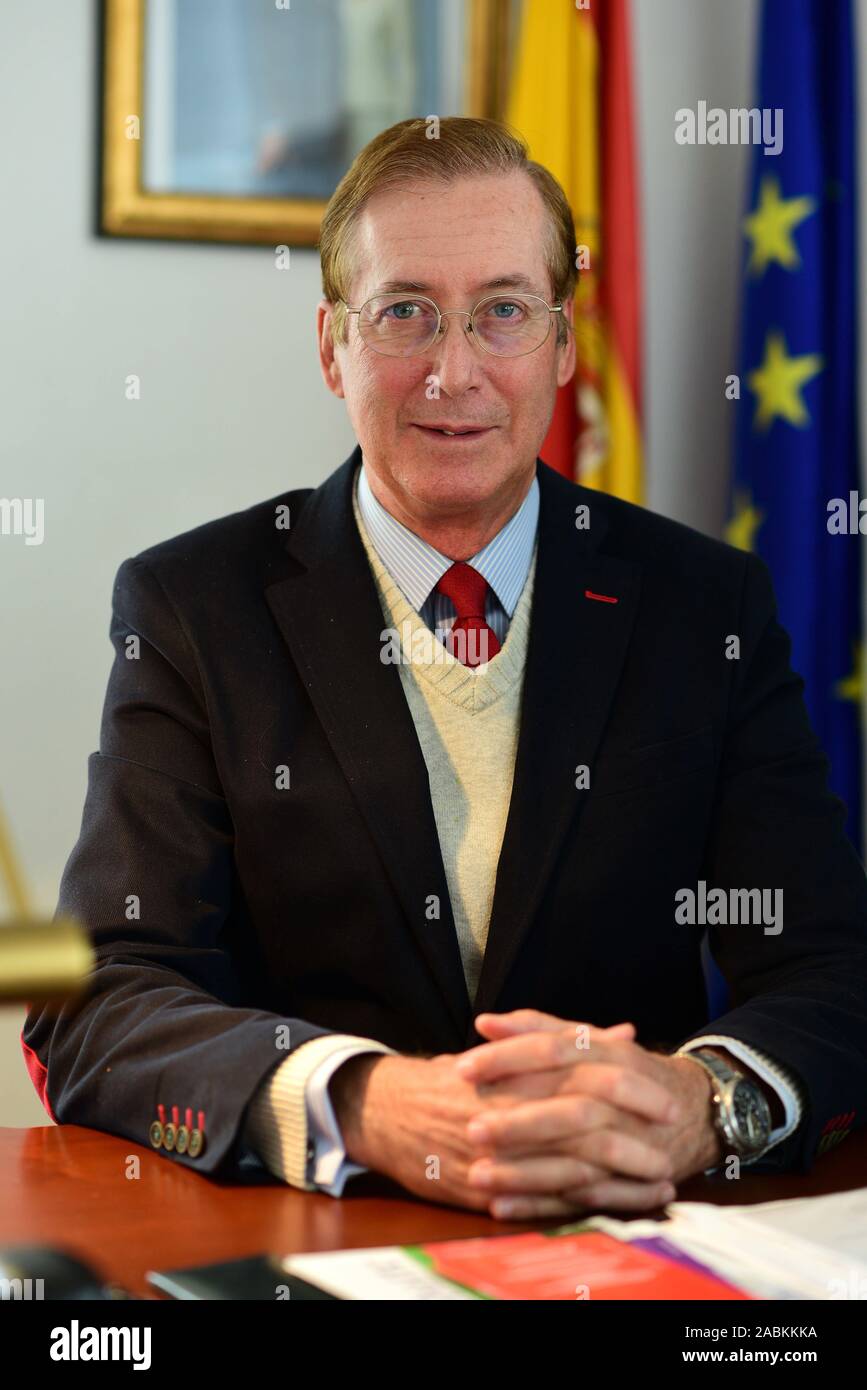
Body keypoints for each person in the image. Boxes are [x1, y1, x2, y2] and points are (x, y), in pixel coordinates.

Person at [22, 118, 867, 1223]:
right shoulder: (192, 606)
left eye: (503, 312)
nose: (453, 369)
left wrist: (705, 1103)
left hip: (626, 1232)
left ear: (564, 345)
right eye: (405, 312)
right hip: (312, 1231)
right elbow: (98, 995)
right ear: (332, 346)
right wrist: (362, 1100)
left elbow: (835, 967)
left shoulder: (707, 605)